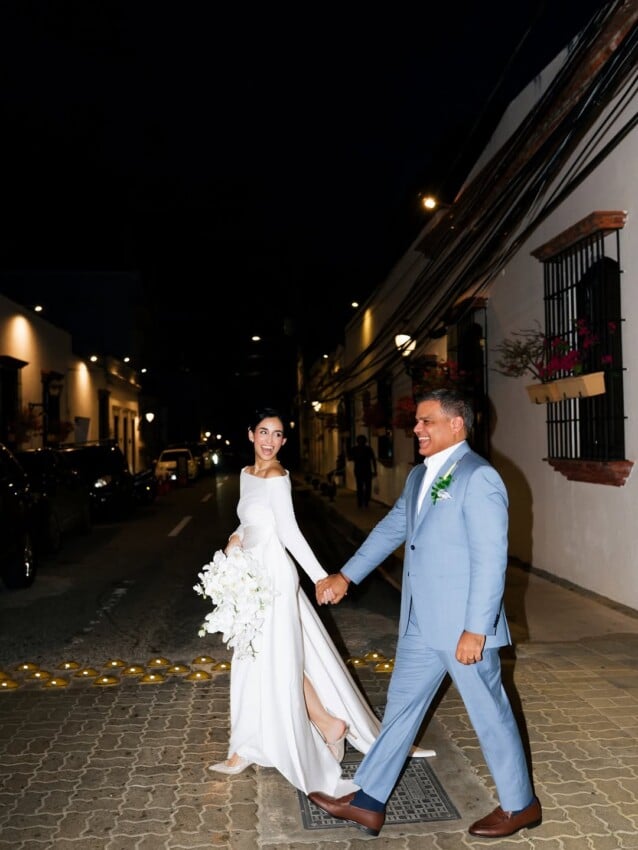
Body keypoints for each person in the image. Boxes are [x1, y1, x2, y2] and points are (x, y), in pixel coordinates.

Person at [310, 388, 541, 838]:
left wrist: (477, 628)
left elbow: (490, 559)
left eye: (426, 421)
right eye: (416, 421)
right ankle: (369, 801)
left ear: (456, 424)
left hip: (463, 627)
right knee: (401, 709)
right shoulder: (419, 476)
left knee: (489, 713)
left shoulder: (479, 477)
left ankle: (520, 805)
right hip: (420, 620)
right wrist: (346, 576)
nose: (416, 428)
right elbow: (391, 529)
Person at [205, 407, 387, 796]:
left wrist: (321, 577)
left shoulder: (277, 477)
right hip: (251, 576)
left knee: (270, 656)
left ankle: (312, 727)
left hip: (273, 577)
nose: (269, 441)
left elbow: (289, 533)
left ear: (283, 441)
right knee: (258, 657)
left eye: (277, 435)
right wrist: (235, 538)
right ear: (251, 434)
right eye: (264, 432)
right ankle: (286, 734)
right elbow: (251, 521)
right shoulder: (247, 474)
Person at [350, 434, 377, 508]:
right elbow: (373, 460)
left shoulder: (356, 449)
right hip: (364, 470)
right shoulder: (367, 449)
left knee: (362, 487)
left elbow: (350, 458)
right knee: (365, 487)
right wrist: (375, 470)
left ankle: (362, 502)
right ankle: (364, 502)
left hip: (361, 470)